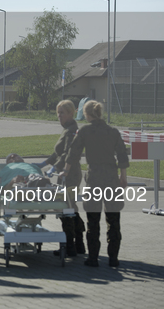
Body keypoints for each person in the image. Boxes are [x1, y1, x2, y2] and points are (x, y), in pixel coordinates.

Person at [61, 100, 129, 267]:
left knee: (93, 219)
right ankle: (113, 258)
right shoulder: (113, 131)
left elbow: (74, 152)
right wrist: (123, 177)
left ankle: (93, 258)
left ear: (86, 114)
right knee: (113, 219)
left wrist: (66, 170)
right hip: (112, 178)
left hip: (94, 180)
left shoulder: (85, 131)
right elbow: (121, 154)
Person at [34, 100, 85, 257]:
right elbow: (58, 152)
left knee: (67, 208)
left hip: (69, 173)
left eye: (62, 112)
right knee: (71, 207)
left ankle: (71, 246)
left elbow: (67, 153)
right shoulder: (67, 130)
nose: (59, 116)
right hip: (65, 172)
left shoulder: (71, 131)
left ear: (71, 113)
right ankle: (79, 244)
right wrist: (46, 163)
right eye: (58, 112)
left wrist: (55, 167)